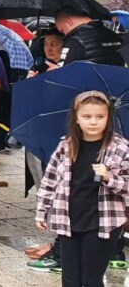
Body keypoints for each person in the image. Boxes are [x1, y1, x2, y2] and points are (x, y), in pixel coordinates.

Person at [36, 91, 129, 286]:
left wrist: (109, 177)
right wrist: (42, 211)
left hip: (103, 221)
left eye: (100, 117)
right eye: (87, 117)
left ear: (108, 118)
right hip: (69, 219)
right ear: (77, 119)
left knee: (91, 279)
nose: (93, 122)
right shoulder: (66, 145)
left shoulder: (120, 147)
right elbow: (50, 181)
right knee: (70, 280)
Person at [55, 8, 125, 66]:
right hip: (117, 81)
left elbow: (65, 74)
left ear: (68, 22)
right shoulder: (113, 35)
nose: (64, 34)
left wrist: (55, 70)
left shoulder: (74, 41)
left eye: (62, 30)